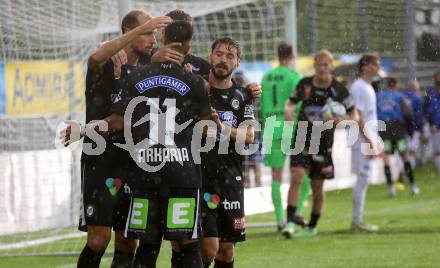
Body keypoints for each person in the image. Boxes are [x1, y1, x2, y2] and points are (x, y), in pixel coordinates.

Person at [61, 11, 170, 268]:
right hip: (100, 159)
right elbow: (94, 57)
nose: (151, 38)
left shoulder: (149, 66)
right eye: (146, 32)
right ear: (127, 32)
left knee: (127, 240)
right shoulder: (106, 60)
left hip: (135, 162)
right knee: (98, 240)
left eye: (153, 33)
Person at [283, 50, 356, 238]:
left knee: (317, 187)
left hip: (323, 141)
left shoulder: (339, 89)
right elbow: (290, 103)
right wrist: (288, 110)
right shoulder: (304, 84)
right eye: (318, 64)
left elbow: (353, 115)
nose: (322, 68)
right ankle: (290, 222)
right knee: (297, 176)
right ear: (314, 66)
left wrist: (340, 121)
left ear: (331, 66)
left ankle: (312, 226)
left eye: (326, 65)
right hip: (302, 136)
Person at [200, 37, 255, 268]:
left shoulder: (244, 97)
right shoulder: (197, 89)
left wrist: (222, 128)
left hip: (231, 178)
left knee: (226, 251)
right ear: (210, 57)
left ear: (237, 63)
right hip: (200, 177)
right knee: (208, 249)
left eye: (230, 56)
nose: (223, 60)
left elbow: (249, 136)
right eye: (219, 54)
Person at [260, 42, 310, 230]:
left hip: (271, 124)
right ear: (292, 55)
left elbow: (262, 104)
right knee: (300, 172)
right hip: (290, 123)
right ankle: (295, 211)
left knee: (276, 175)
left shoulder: (266, 77)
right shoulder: (295, 76)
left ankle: (280, 218)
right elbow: (299, 104)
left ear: (278, 54)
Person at [350, 53, 381, 233]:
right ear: (365, 66)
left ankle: (357, 220)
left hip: (366, 138)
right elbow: (358, 117)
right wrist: (369, 140)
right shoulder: (360, 87)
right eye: (375, 64)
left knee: (364, 180)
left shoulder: (367, 86)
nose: (377, 67)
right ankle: (357, 222)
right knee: (362, 179)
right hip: (361, 139)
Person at [377, 77, 420, 197]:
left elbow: (374, 113)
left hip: (384, 128)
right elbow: (408, 113)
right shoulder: (399, 96)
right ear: (396, 84)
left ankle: (390, 188)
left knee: (386, 158)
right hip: (397, 128)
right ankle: (413, 186)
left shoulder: (378, 97)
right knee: (405, 156)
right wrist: (410, 130)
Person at [426, 71, 440, 174]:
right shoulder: (430, 92)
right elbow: (428, 109)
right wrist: (431, 123)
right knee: (437, 150)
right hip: (435, 125)